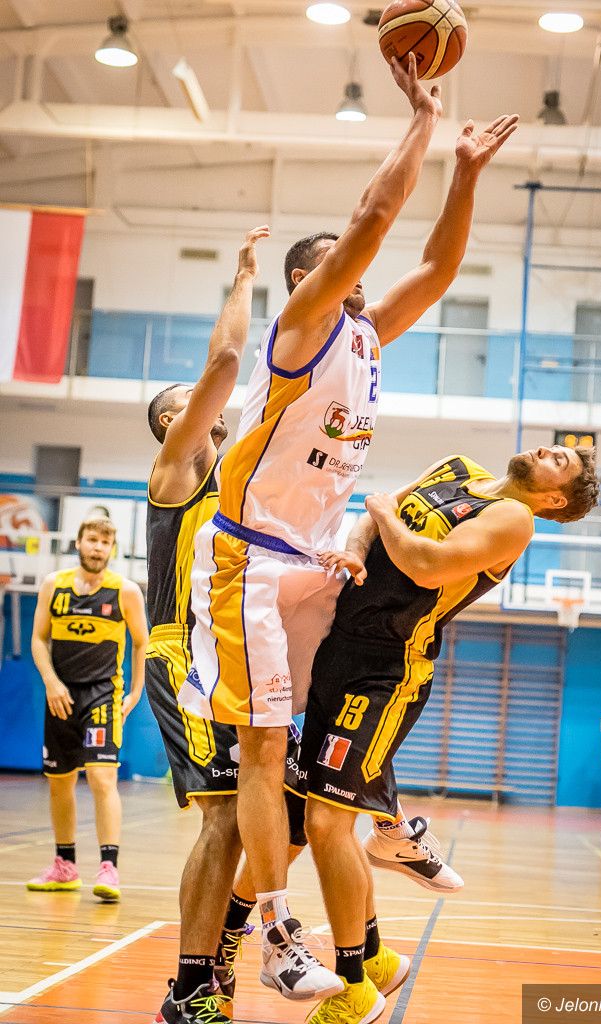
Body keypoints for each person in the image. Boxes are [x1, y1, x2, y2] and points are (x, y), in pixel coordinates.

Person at [178, 50, 518, 1002]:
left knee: (331, 722)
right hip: (249, 562)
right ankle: (278, 937)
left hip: (316, 565)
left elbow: (438, 267)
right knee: (261, 748)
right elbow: (373, 220)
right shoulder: (301, 329)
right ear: (310, 277)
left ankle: (387, 825)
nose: (362, 274)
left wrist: (466, 173)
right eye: (340, 265)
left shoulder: (366, 336)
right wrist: (423, 122)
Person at [294, 445, 600, 1023]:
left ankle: (354, 987)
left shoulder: (515, 519)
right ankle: (376, 957)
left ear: (555, 498)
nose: (545, 449)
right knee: (329, 821)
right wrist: (358, 545)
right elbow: (374, 515)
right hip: (340, 646)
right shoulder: (457, 468)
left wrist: (383, 513)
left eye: (559, 461)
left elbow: (426, 565)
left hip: (388, 668)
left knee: (325, 822)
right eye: (553, 446)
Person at [144, 227, 307, 1024]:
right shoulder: (176, 472)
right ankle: (189, 988)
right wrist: (245, 281)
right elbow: (226, 364)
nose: (198, 403)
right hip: (184, 657)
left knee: (288, 811)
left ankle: (229, 940)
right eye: (180, 403)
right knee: (221, 816)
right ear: (171, 424)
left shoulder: (241, 485)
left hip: (239, 650)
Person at [27, 516, 148, 902]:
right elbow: (38, 639)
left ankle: (109, 868)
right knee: (59, 781)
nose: (98, 547)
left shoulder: (125, 591)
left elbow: (142, 642)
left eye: (105, 542)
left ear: (112, 549)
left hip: (103, 696)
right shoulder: (54, 585)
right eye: (92, 540)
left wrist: (136, 691)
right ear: (78, 543)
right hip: (60, 695)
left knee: (101, 777)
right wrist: (51, 682)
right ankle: (65, 866)